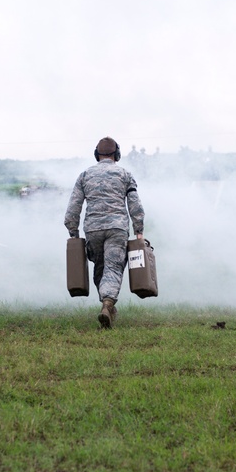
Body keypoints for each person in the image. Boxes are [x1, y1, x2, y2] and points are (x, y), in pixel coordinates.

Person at [64, 137, 145, 329]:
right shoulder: (125, 174)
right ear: (117, 154)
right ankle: (108, 303)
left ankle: (107, 306)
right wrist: (139, 229)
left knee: (100, 267)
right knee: (113, 267)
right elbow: (135, 205)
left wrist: (73, 230)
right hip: (117, 228)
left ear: (96, 154)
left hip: (93, 229)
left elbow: (73, 207)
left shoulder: (85, 175)